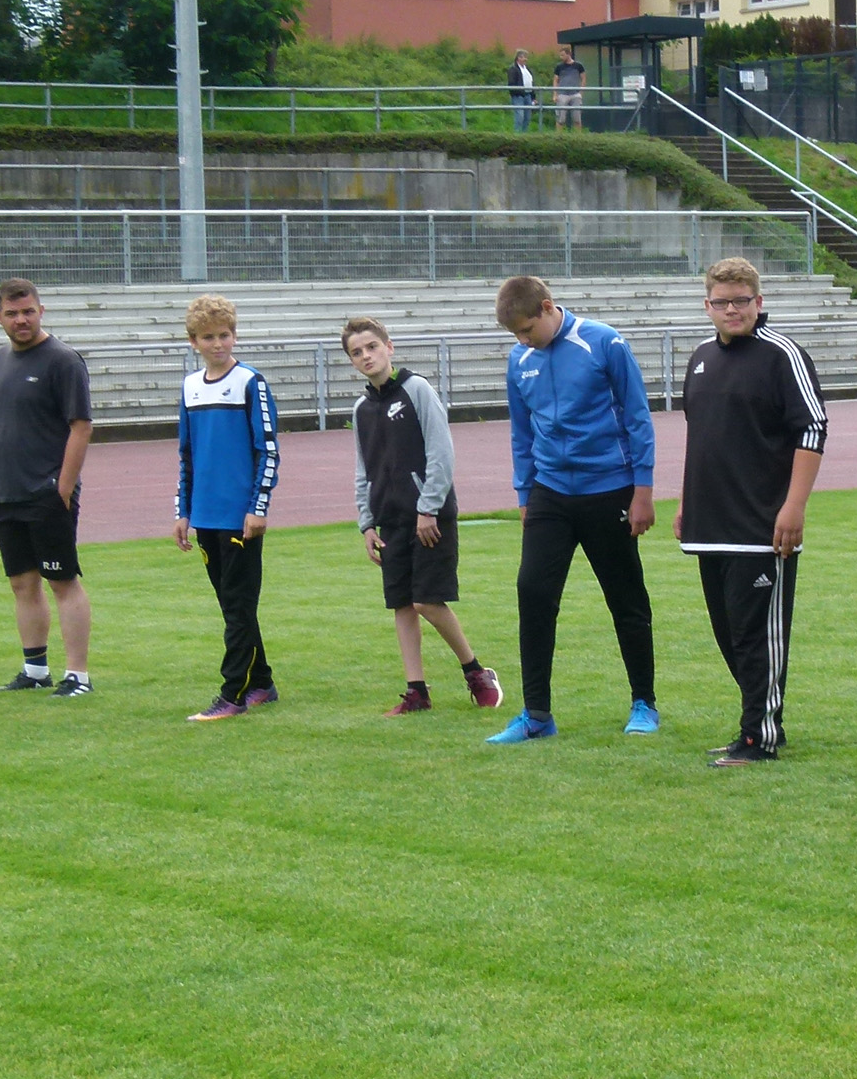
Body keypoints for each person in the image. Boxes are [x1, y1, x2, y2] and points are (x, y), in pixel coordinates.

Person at [487, 275, 661, 744]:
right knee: (533, 592)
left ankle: (644, 702)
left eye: (527, 329)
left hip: (610, 489)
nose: (523, 341)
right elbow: (521, 434)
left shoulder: (604, 343)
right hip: (550, 493)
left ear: (548, 307)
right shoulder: (519, 359)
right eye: (515, 336)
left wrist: (642, 490)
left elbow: (637, 416)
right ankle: (537, 714)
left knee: (625, 598)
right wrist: (525, 495)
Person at [678, 257, 826, 766]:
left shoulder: (782, 354)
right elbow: (703, 435)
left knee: (757, 634)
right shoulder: (699, 356)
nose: (732, 310)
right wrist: (686, 504)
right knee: (729, 634)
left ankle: (759, 737)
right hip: (709, 524)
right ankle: (758, 722)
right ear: (708, 306)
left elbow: (812, 429)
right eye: (722, 302)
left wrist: (794, 506)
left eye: (741, 300)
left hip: (762, 527)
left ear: (759, 303)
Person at [344, 316, 503, 716]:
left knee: (427, 602)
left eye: (372, 347)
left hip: (430, 518)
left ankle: (476, 671)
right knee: (401, 604)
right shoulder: (362, 408)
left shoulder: (417, 390)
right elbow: (364, 470)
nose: (366, 356)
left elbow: (441, 452)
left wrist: (428, 507)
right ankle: (416, 691)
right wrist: (366, 523)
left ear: (389, 347)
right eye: (357, 352)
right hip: (390, 521)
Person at [0, 278, 93, 697]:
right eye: (12, 313)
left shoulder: (63, 360)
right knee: (22, 584)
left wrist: (63, 487)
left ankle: (77, 675)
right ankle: (35, 669)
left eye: (27, 311)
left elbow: (81, 426)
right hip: (6, 493)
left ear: (40, 311)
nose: (21, 320)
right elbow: (1, 427)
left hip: (47, 494)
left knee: (62, 581)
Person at [172, 295, 281, 722]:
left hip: (240, 517)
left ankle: (232, 693)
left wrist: (258, 506)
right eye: (208, 337)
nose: (218, 344)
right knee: (232, 606)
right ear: (193, 341)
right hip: (204, 517)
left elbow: (268, 449)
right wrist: (183, 510)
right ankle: (262, 682)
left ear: (234, 335)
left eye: (225, 335)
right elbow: (186, 455)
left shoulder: (251, 383)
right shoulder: (190, 387)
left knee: (238, 606)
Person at [553, 47, 586, 129]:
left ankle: (578, 138)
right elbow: (555, 80)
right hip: (562, 94)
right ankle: (558, 137)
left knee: (577, 118)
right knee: (560, 118)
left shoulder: (578, 66)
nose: (561, 57)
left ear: (568, 54)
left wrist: (581, 93)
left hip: (575, 94)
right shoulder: (559, 67)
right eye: (560, 55)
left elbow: (583, 78)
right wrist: (555, 94)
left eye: (563, 55)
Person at [509, 49, 536, 132]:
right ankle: (517, 134)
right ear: (518, 58)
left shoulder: (527, 69)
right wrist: (520, 92)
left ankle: (524, 134)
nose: (525, 59)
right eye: (523, 57)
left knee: (527, 117)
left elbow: (531, 82)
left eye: (526, 57)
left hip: (528, 95)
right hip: (518, 96)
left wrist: (533, 97)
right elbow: (512, 83)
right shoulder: (513, 69)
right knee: (519, 116)